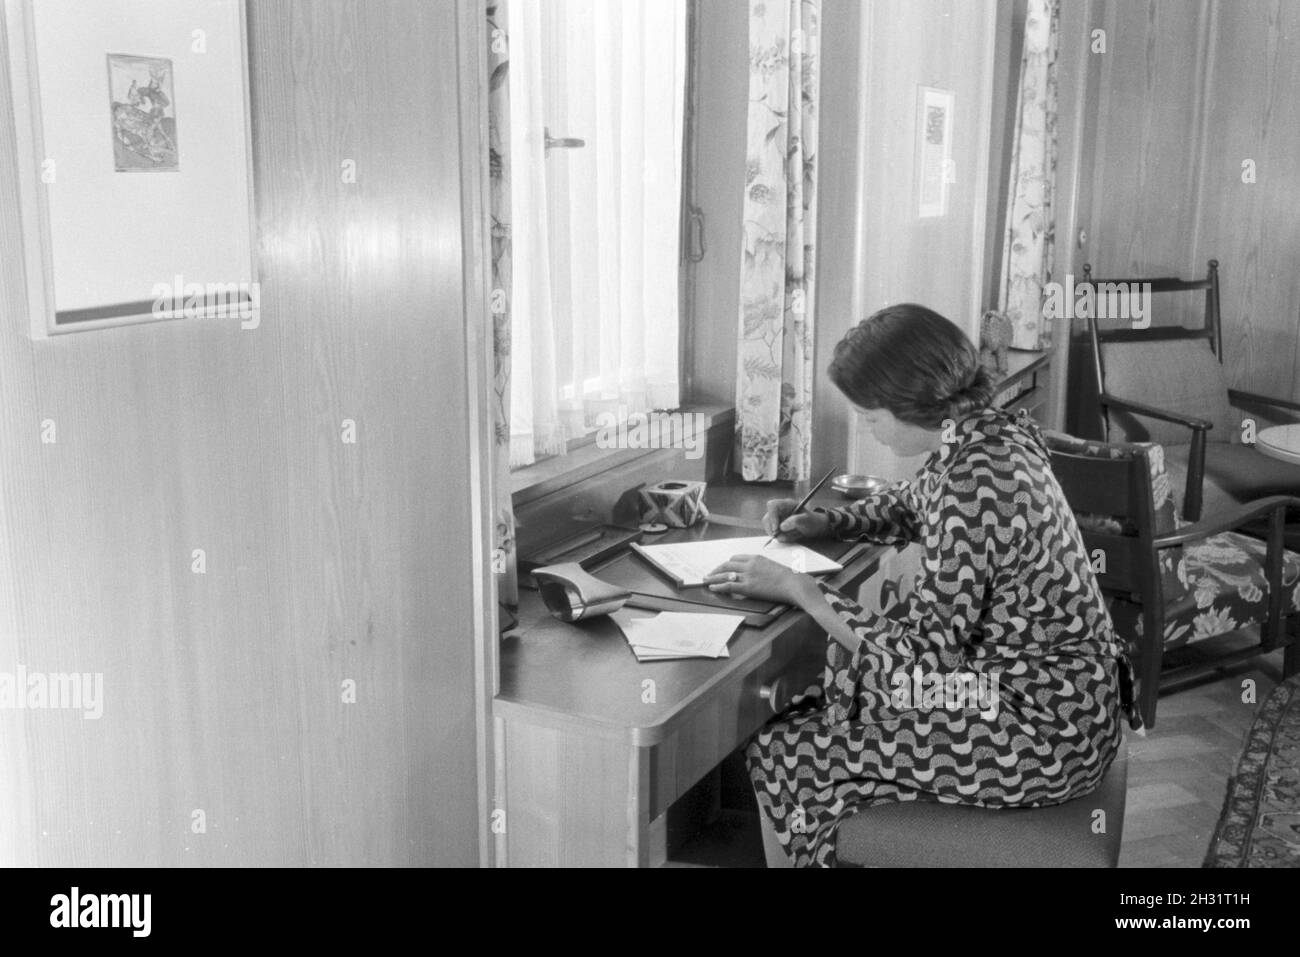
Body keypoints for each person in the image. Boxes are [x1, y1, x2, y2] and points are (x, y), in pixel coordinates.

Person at [703, 303, 1140, 867]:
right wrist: (829, 521)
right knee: (832, 707)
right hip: (1065, 701)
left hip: (1041, 733)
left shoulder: (975, 482)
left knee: (783, 747)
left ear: (914, 406)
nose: (866, 428)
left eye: (871, 416)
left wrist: (798, 589)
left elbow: (923, 657)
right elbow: (917, 503)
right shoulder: (988, 435)